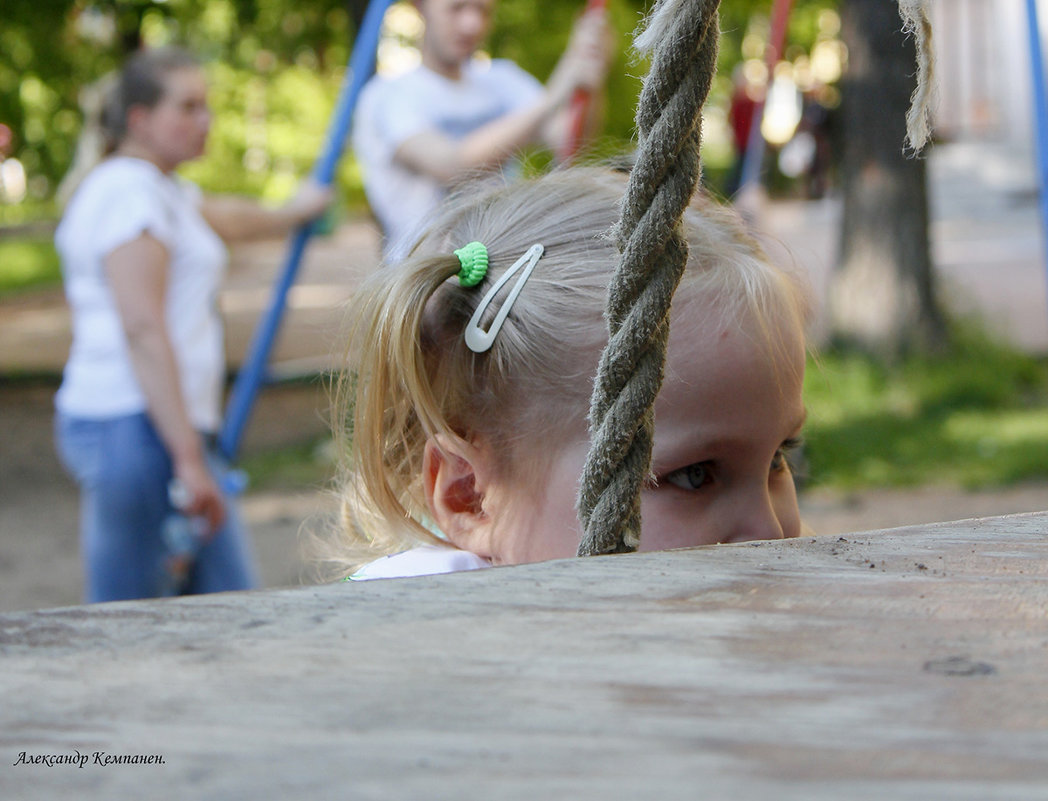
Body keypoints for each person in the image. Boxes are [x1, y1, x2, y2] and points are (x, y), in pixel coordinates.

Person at [317, 166, 812, 581]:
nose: (770, 530)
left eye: (777, 460)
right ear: (472, 498)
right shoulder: (420, 649)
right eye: (695, 475)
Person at [54, 46, 331, 602]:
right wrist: (187, 458)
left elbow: (226, 216)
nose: (204, 120)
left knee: (226, 604)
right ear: (139, 119)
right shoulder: (127, 192)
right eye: (187, 107)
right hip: (132, 427)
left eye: (206, 106)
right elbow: (142, 326)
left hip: (159, 427)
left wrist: (293, 212)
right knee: (129, 617)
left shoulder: (163, 190)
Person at [352, 0, 611, 260]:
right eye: (457, 8)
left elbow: (569, 140)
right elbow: (450, 165)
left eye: (483, 10)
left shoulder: (503, 79)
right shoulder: (388, 95)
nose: (472, 24)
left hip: (504, 268)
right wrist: (557, 91)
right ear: (421, 6)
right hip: (425, 279)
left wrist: (588, 78)